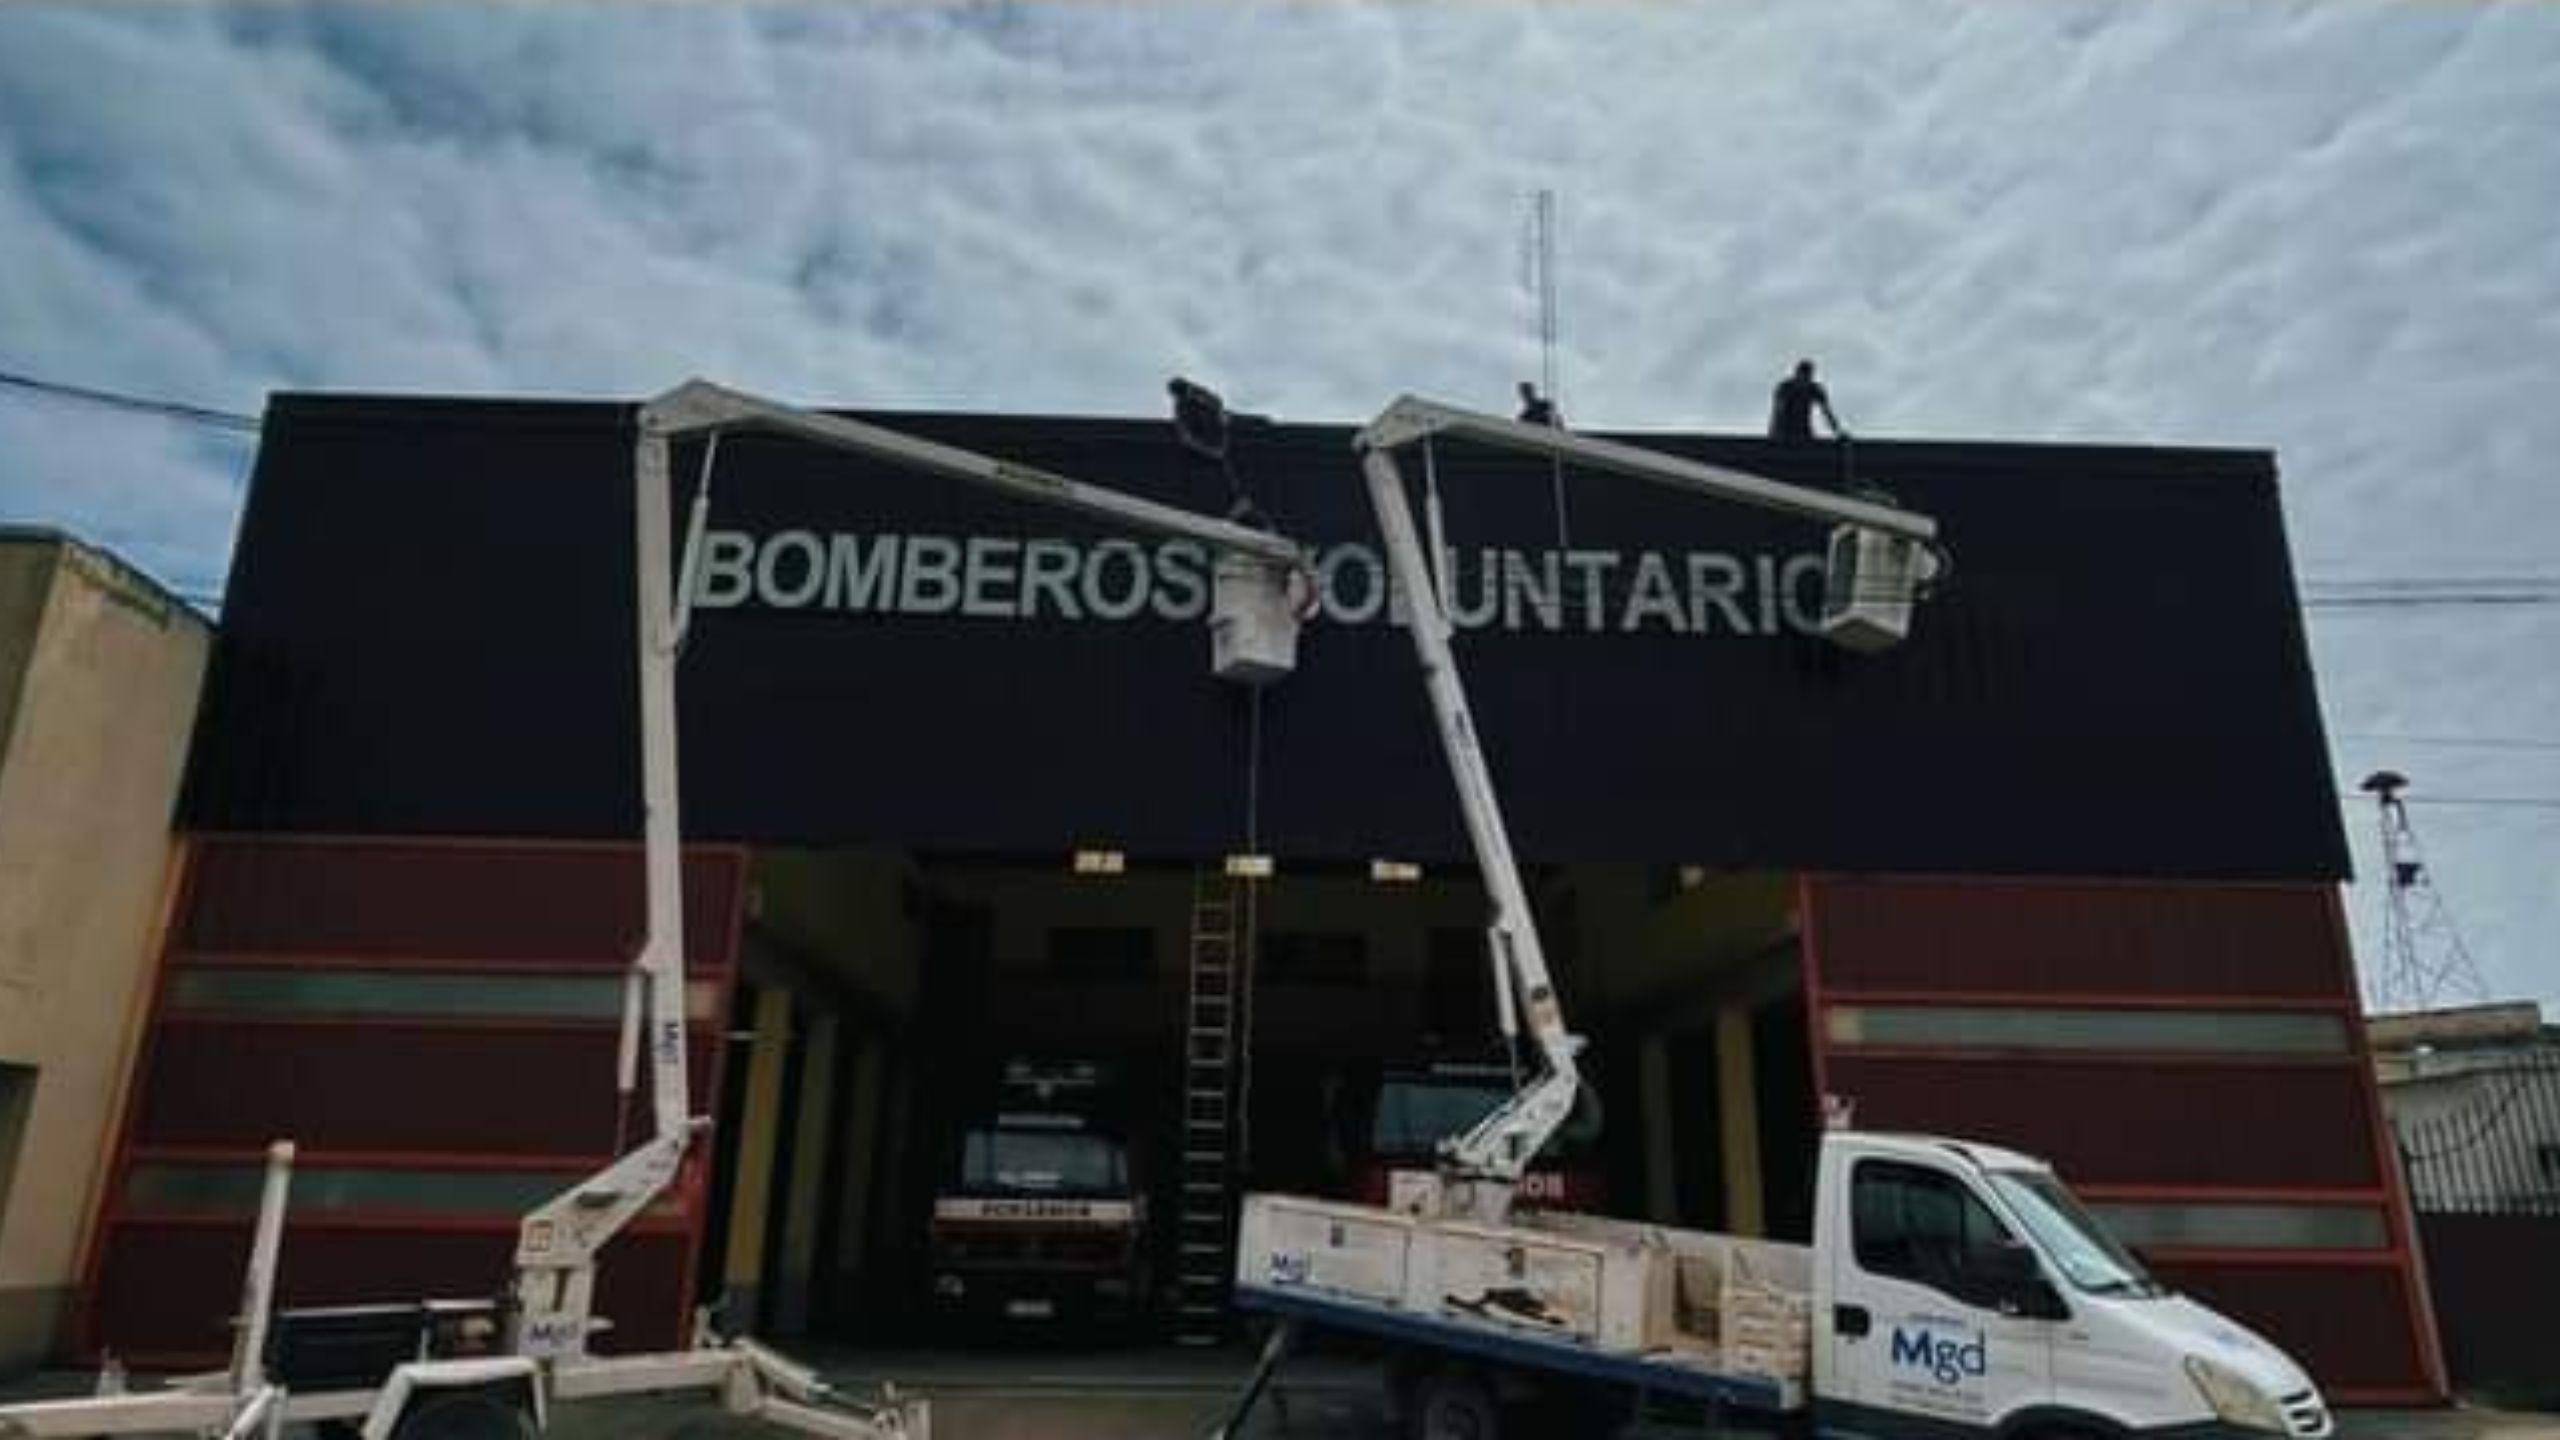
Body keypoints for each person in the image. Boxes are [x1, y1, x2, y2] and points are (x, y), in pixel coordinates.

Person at [1768, 359, 1844, 443]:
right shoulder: (1785, 388)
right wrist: (1776, 436)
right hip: (1784, 429)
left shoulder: (1815, 389)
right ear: (1797, 375)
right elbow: (1779, 412)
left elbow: (1827, 413)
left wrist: (1838, 431)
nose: (1804, 381)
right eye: (1802, 377)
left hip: (1803, 429)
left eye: (1807, 378)